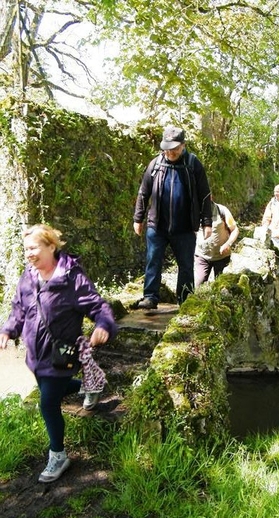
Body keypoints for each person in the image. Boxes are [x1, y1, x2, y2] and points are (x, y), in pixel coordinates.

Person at [0, 224, 118, 483]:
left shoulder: (71, 278)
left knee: (48, 403)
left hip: (62, 355)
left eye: (34, 248)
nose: (29, 254)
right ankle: (91, 386)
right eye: (25, 249)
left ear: (51, 246)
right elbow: (19, 309)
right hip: (36, 355)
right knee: (50, 390)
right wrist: (8, 330)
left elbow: (98, 306)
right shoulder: (28, 277)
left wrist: (103, 325)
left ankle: (58, 454)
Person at [133, 125, 213, 309]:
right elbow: (143, 192)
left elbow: (205, 195)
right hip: (157, 226)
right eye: (167, 149)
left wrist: (206, 222)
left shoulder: (193, 164)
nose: (170, 152)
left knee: (185, 266)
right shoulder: (155, 164)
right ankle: (150, 298)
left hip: (184, 227)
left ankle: (185, 301)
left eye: (175, 149)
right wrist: (138, 218)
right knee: (153, 261)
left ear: (183, 146)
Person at [194, 198, 239, 286]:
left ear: (211, 197)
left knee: (222, 286)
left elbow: (235, 230)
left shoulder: (222, 210)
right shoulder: (194, 212)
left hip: (222, 257)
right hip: (201, 256)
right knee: (198, 285)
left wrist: (228, 244)